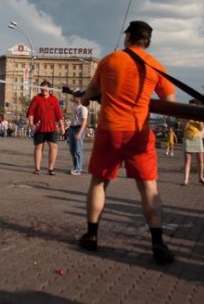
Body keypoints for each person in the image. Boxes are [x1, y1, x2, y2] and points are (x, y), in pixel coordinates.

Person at [78, 20, 176, 265]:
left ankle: (91, 235)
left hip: (110, 130)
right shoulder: (156, 66)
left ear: (128, 37)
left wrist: (87, 99)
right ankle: (157, 243)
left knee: (99, 182)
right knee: (149, 188)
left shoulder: (109, 60)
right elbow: (170, 102)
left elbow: (89, 92)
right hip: (138, 133)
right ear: (148, 41)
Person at [26, 80, 65, 175]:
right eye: (42, 88)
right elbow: (31, 112)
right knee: (38, 147)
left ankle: (50, 169)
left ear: (49, 89)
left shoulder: (54, 100)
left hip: (51, 128)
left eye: (45, 89)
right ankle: (37, 168)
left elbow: (59, 115)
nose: (43, 90)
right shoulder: (36, 98)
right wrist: (31, 124)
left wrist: (62, 127)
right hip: (39, 127)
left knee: (53, 147)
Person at [182, 101, 204, 186]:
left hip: (197, 138)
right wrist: (188, 119)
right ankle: (185, 179)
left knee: (200, 160)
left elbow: (201, 128)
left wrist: (198, 120)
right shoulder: (185, 116)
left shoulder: (199, 116)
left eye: (194, 107)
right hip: (188, 138)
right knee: (187, 161)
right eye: (191, 107)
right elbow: (184, 128)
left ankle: (201, 177)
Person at [67, 91, 88, 175]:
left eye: (74, 96)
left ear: (78, 98)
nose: (73, 98)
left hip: (78, 129)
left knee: (78, 150)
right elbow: (73, 120)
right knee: (72, 150)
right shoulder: (74, 106)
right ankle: (75, 167)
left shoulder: (83, 108)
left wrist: (80, 132)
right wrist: (69, 130)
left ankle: (78, 169)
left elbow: (84, 121)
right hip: (72, 128)